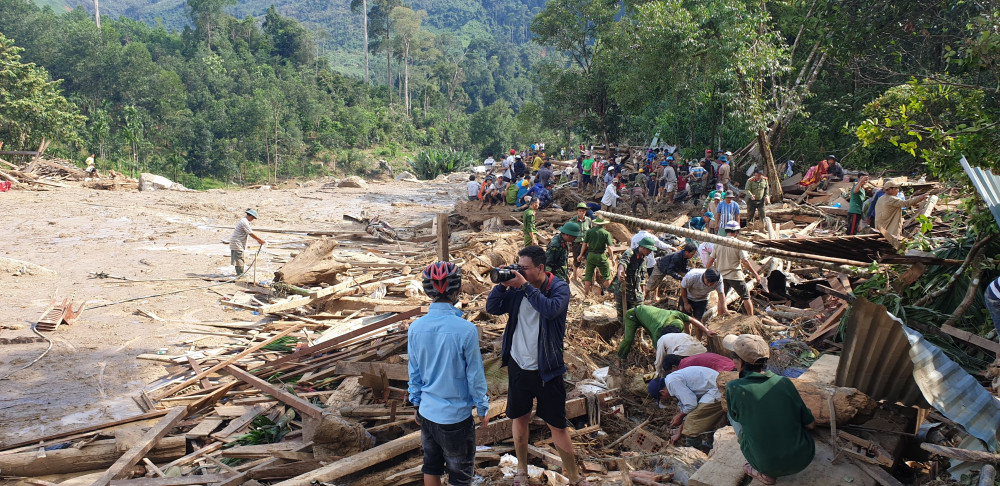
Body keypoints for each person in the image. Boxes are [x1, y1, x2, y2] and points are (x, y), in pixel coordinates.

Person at [485, 246, 583, 486]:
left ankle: (574, 478)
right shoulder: (517, 289)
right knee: (519, 418)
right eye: (518, 267)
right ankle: (521, 470)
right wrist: (502, 283)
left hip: (547, 369)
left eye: (524, 269)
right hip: (519, 365)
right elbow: (492, 308)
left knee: (557, 425)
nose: (521, 272)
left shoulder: (558, 287)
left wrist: (524, 286)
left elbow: (550, 310)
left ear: (540, 268)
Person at [408, 262, 490, 486]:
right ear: (457, 290)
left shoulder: (415, 328)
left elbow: (414, 372)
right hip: (456, 418)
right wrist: (482, 407)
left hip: (427, 413)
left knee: (431, 466)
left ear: (427, 291)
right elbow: (475, 376)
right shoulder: (465, 330)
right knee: (460, 477)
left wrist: (416, 403)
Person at [725, 335, 816, 485]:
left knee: (731, 415)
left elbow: (737, 416)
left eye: (734, 358)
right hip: (804, 457)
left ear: (740, 362)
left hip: (767, 466)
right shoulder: (783, 382)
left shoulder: (734, 387)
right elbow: (810, 424)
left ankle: (764, 473)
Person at [647, 365, 724, 450]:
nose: (664, 399)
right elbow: (687, 408)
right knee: (696, 416)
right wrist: (679, 431)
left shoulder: (673, 383)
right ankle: (711, 445)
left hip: (717, 390)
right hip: (713, 388)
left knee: (692, 421)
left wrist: (680, 416)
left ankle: (693, 454)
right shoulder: (671, 380)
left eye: (661, 398)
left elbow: (691, 404)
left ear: (662, 391)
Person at [617, 305, 714, 361]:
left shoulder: (677, 316)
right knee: (628, 340)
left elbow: (692, 320)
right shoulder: (658, 333)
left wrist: (706, 330)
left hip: (650, 319)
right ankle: (619, 358)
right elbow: (659, 352)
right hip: (633, 315)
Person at [707, 221, 764, 316]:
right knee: (746, 297)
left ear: (726, 231)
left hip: (721, 276)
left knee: (722, 297)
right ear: (736, 232)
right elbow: (745, 261)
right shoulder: (738, 244)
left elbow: (710, 260)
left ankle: (719, 318)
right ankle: (751, 318)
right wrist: (756, 275)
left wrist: (706, 273)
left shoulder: (718, 243)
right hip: (735, 275)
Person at [612, 237, 657, 323]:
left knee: (638, 314)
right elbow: (623, 263)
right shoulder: (630, 253)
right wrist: (620, 272)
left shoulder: (645, 259)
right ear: (643, 247)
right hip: (623, 290)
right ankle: (623, 332)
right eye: (649, 250)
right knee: (622, 316)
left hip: (636, 292)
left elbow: (642, 276)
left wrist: (643, 291)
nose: (650, 252)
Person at [874, 179, 928, 248]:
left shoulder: (881, 198)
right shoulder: (891, 199)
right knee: (892, 246)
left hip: (881, 227)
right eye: (896, 188)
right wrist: (921, 197)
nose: (898, 190)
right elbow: (906, 203)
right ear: (890, 189)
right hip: (889, 229)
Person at [578, 217, 615, 300]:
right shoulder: (606, 233)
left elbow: (584, 244)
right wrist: (612, 258)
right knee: (606, 276)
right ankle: (610, 295)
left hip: (591, 255)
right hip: (601, 256)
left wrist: (580, 255)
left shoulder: (589, 232)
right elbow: (609, 247)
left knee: (588, 276)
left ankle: (586, 296)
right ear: (604, 224)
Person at [230, 209, 266, 277]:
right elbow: (250, 233)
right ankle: (240, 274)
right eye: (253, 218)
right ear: (251, 216)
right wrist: (260, 240)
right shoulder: (244, 222)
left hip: (237, 242)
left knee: (238, 257)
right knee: (239, 258)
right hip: (237, 242)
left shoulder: (244, 220)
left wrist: (258, 240)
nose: (253, 219)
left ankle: (240, 273)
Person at [569, 203, 593, 280]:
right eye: (580, 211)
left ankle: (590, 279)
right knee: (576, 262)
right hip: (577, 244)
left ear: (585, 212)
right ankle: (575, 279)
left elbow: (591, 231)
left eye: (583, 211)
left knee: (590, 261)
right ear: (577, 211)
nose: (581, 213)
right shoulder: (572, 221)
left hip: (587, 244)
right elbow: (568, 232)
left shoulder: (588, 220)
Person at [659, 352, 736, 376]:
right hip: (731, 364)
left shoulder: (683, 369)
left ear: (674, 366)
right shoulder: (685, 361)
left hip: (726, 371)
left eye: (671, 371)